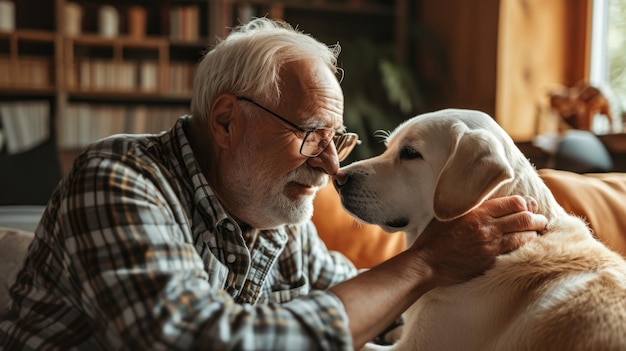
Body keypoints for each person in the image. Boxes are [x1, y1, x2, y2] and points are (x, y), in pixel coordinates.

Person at [0, 18, 547, 350]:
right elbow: (198, 343)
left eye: (339, 139)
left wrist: (515, 298)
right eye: (311, 135)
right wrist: (424, 264)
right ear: (226, 122)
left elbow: (377, 312)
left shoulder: (272, 218)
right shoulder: (117, 181)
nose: (332, 165)